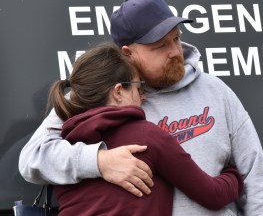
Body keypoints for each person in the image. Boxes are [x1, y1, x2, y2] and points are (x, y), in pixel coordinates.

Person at [19, 0, 263, 216]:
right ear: (128, 53)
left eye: (176, 39)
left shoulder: (216, 91)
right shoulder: (95, 93)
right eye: (160, 46)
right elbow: (32, 159)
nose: (175, 52)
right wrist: (99, 161)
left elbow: (255, 179)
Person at [46, 42, 243, 215]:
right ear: (118, 92)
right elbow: (212, 195)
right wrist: (234, 175)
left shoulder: (63, 150)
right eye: (139, 88)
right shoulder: (147, 137)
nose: (144, 97)